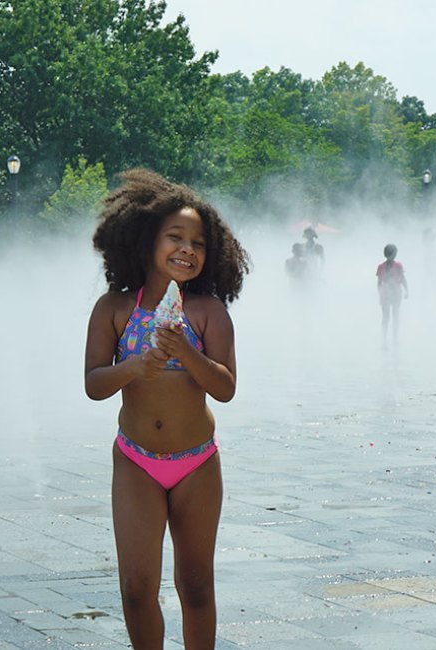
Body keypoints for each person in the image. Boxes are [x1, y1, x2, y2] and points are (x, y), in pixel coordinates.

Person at [84, 168, 250, 649]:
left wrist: (185, 351)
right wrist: (136, 365)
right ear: (145, 242)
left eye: (199, 243)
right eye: (175, 237)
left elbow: (225, 388)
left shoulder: (208, 312)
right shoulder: (114, 309)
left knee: (196, 587)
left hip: (196, 462)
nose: (188, 249)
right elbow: (94, 385)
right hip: (136, 460)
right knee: (137, 590)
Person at [376, 243, 409, 347]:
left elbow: (402, 279)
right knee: (387, 318)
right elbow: (379, 283)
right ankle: (385, 340)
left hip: (394, 293)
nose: (391, 256)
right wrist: (380, 293)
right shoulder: (382, 267)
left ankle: (393, 340)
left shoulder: (396, 266)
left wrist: (407, 290)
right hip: (388, 294)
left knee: (394, 317)